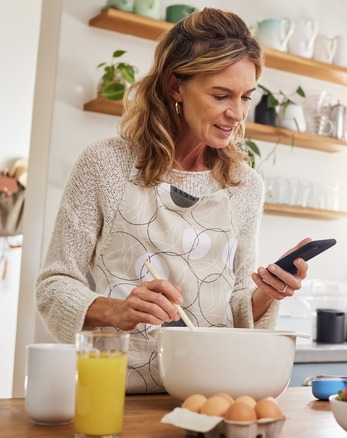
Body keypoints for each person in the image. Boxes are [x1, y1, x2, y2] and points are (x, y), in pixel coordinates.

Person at [36, 7, 311, 394]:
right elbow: (53, 286)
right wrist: (116, 311)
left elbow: (233, 306)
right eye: (221, 95)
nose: (237, 113)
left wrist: (269, 291)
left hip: (215, 393)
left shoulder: (244, 185)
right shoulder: (105, 165)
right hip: (118, 394)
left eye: (246, 96)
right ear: (175, 86)